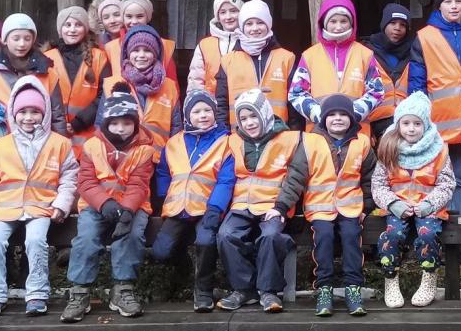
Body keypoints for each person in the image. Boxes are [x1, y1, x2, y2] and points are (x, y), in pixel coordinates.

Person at [0, 77, 79, 319]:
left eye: (35, 111)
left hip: (41, 206)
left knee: (35, 241)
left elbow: (69, 179)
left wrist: (61, 205)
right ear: (14, 113)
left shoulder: (60, 144)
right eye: (23, 112)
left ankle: (36, 294)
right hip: (5, 207)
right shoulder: (0, 146)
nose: (28, 117)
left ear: (43, 114)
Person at [60, 84, 156, 322]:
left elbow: (139, 184)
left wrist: (127, 211)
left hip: (131, 207)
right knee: (86, 238)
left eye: (126, 123)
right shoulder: (92, 146)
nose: (121, 128)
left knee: (131, 237)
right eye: (114, 123)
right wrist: (105, 204)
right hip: (97, 206)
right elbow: (86, 182)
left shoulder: (144, 149)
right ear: (105, 123)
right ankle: (80, 292)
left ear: (135, 123)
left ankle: (123, 289)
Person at [216, 88, 311, 313]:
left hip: (273, 205)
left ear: (264, 114)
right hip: (241, 204)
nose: (248, 123)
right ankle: (243, 290)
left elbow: (296, 176)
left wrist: (281, 207)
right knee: (225, 235)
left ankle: (268, 292)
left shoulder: (290, 139)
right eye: (243, 118)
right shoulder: (233, 141)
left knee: (271, 236)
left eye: (253, 116)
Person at [410, 0, 461, 232]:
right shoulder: (424, 37)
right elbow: (417, 84)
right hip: (437, 125)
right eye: (448, 2)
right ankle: (441, 237)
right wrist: (419, 120)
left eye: (458, 2)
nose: (454, 6)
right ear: (439, 6)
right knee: (438, 180)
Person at [153, 90, 235, 313]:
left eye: (207, 110)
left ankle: (204, 290)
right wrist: (163, 197)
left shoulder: (225, 142)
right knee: (161, 251)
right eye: (197, 111)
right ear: (188, 116)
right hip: (177, 208)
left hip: (206, 208)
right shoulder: (174, 142)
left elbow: (226, 180)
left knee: (206, 242)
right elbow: (163, 172)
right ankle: (184, 269)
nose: (203, 115)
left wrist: (216, 208)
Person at [372, 92, 455, 308]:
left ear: (425, 125)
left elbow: (447, 183)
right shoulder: (387, 148)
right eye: (406, 123)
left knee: (427, 235)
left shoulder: (439, 150)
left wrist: (430, 204)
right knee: (391, 236)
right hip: (398, 207)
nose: (411, 128)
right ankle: (391, 280)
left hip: (427, 208)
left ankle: (428, 278)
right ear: (398, 124)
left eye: (417, 123)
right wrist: (393, 204)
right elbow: (378, 184)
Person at [303, 94, 376, 317]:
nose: (337, 119)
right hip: (319, 207)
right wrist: (281, 207)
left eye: (343, 115)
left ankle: (353, 288)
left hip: (351, 207)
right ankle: (324, 288)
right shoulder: (310, 141)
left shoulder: (362, 142)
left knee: (351, 236)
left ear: (352, 119)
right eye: (332, 114)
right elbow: (296, 175)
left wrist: (367, 207)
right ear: (323, 118)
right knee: (323, 237)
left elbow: (370, 177)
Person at [290, 0, 384, 136]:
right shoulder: (309, 55)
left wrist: (352, 115)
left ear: (352, 23)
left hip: (357, 135)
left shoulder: (365, 54)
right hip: (318, 133)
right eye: (333, 21)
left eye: (344, 21)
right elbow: (296, 92)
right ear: (324, 24)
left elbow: (376, 92)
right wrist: (320, 115)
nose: (338, 26)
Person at [0, 13, 67, 135]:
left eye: (27, 38)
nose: (22, 44)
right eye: (16, 38)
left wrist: (60, 145)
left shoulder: (48, 73)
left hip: (41, 144)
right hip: (3, 145)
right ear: (5, 40)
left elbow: (58, 116)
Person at [215, 0, 296, 126]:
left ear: (268, 25)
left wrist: (294, 135)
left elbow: (294, 103)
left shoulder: (287, 58)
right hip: (239, 137)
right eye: (249, 24)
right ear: (242, 27)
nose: (255, 28)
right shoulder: (228, 61)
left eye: (260, 23)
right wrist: (223, 135)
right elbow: (221, 103)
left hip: (279, 136)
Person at [43, 6, 110, 155]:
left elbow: (105, 95)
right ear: (60, 29)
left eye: (78, 25)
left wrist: (78, 123)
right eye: (68, 25)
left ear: (85, 29)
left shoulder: (99, 57)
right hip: (55, 136)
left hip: (89, 137)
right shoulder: (47, 58)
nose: (72, 30)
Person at [99, 25, 179, 145]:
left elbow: (176, 128)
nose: (141, 55)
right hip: (125, 159)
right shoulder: (111, 84)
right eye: (136, 50)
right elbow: (100, 124)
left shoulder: (169, 86)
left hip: (159, 159)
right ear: (127, 54)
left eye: (147, 50)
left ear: (156, 54)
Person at [364, 3, 414, 140]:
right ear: (384, 24)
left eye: (403, 25)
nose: (397, 28)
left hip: (407, 123)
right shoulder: (367, 51)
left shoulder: (415, 52)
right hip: (374, 124)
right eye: (392, 23)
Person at [104, 0, 178, 82]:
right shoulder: (111, 47)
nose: (134, 21)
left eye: (139, 16)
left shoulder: (163, 45)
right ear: (123, 18)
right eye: (129, 16)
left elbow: (172, 84)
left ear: (148, 17)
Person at [188, 0, 243, 94]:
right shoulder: (204, 45)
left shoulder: (249, 43)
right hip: (211, 106)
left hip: (242, 106)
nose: (228, 16)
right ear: (217, 16)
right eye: (223, 12)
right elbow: (195, 81)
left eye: (233, 11)